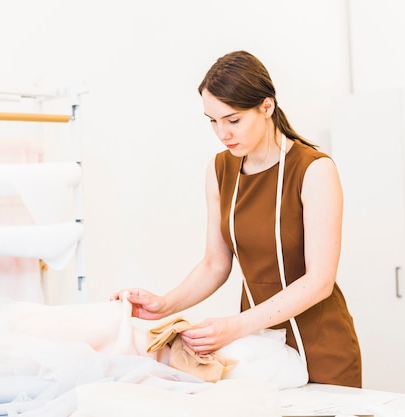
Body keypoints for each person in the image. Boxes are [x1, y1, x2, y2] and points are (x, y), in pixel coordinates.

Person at [111, 50, 361, 388]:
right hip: (260, 351)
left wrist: (235, 326)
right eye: (212, 121)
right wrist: (164, 304)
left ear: (266, 107)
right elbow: (215, 263)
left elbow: (319, 281)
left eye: (233, 120)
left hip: (321, 345)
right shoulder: (220, 170)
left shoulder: (314, 170)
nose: (222, 133)